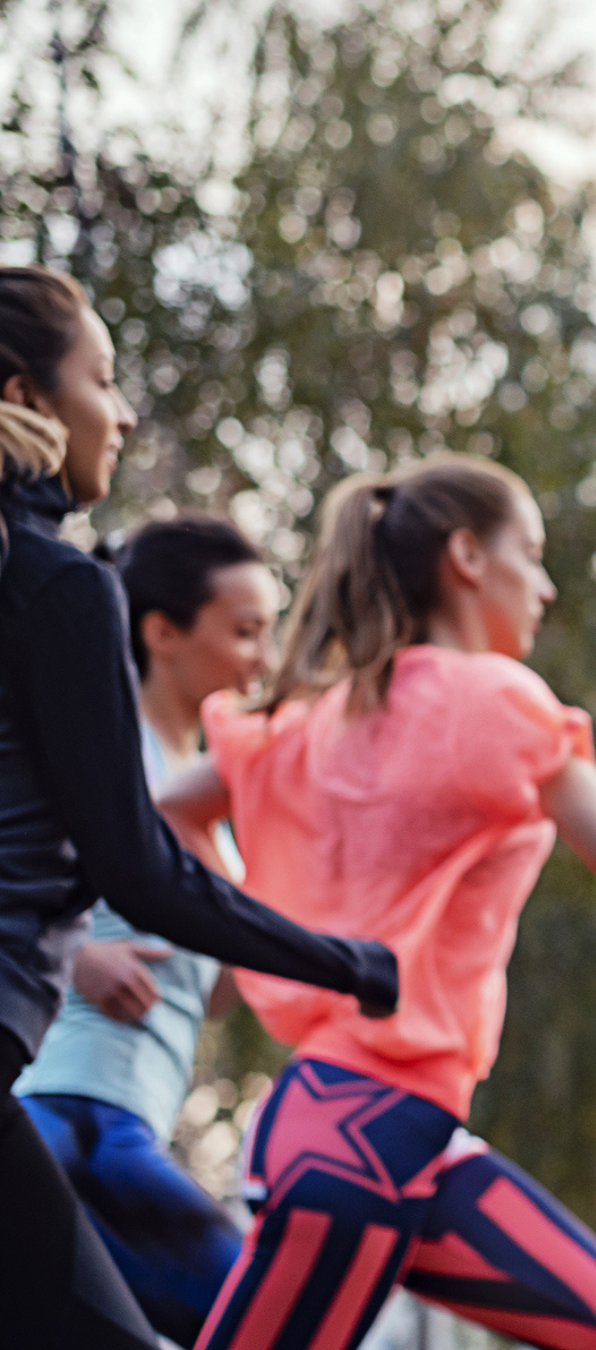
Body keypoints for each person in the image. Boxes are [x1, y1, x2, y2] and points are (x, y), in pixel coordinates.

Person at [162, 454, 596, 1350]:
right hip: (356, 1137)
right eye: (530, 555)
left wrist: (238, 928)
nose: (545, 586)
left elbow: (165, 812)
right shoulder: (497, 700)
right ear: (466, 555)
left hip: (389, 1138)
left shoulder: (308, 718)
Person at [0, 263, 399, 1350]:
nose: (121, 412)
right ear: (25, 396)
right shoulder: (57, 585)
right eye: (103, 379)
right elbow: (137, 869)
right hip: (69, 1104)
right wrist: (347, 961)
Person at [14, 515, 280, 1346]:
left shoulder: (207, 808)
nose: (263, 662)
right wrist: (77, 954)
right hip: (69, 1120)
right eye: (244, 633)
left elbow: (222, 998)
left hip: (127, 1128)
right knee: (275, 1321)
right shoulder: (102, 751)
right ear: (162, 632)